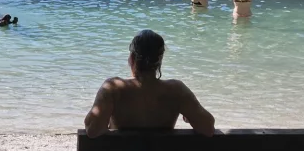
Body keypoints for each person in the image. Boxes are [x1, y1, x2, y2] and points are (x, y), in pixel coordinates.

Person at [84, 30, 215, 138]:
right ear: (160, 60)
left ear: (132, 58)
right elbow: (208, 128)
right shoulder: (177, 90)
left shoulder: (113, 88)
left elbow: (92, 130)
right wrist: (189, 116)